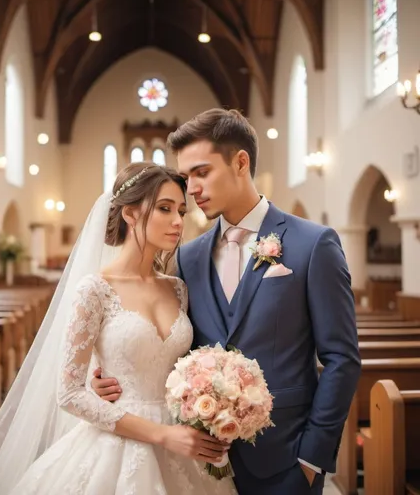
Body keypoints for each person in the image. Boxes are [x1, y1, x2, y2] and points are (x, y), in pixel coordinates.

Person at [92, 109, 362, 494]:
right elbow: (167, 343)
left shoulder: (312, 245)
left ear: (240, 162)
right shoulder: (187, 257)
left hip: (285, 459)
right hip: (198, 462)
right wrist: (105, 379)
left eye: (202, 172)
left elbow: (342, 358)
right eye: (186, 178)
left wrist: (311, 460)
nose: (192, 188)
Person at [0, 162, 236, 494]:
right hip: (123, 442)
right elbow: (69, 393)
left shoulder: (177, 288)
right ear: (130, 214)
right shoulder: (94, 289)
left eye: (181, 211)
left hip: (184, 441)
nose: (177, 222)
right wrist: (161, 434)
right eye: (164, 208)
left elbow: (174, 365)